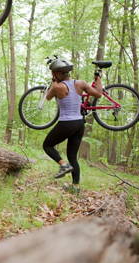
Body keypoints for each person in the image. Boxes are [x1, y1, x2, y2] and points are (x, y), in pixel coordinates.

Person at [43, 58, 103, 193]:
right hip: (79, 124)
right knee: (72, 156)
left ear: (57, 74)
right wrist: (98, 78)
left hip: (66, 123)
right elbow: (98, 93)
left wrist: (53, 83)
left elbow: (47, 97)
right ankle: (75, 187)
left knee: (47, 145)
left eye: (53, 73)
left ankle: (64, 165)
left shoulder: (57, 87)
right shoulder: (80, 83)